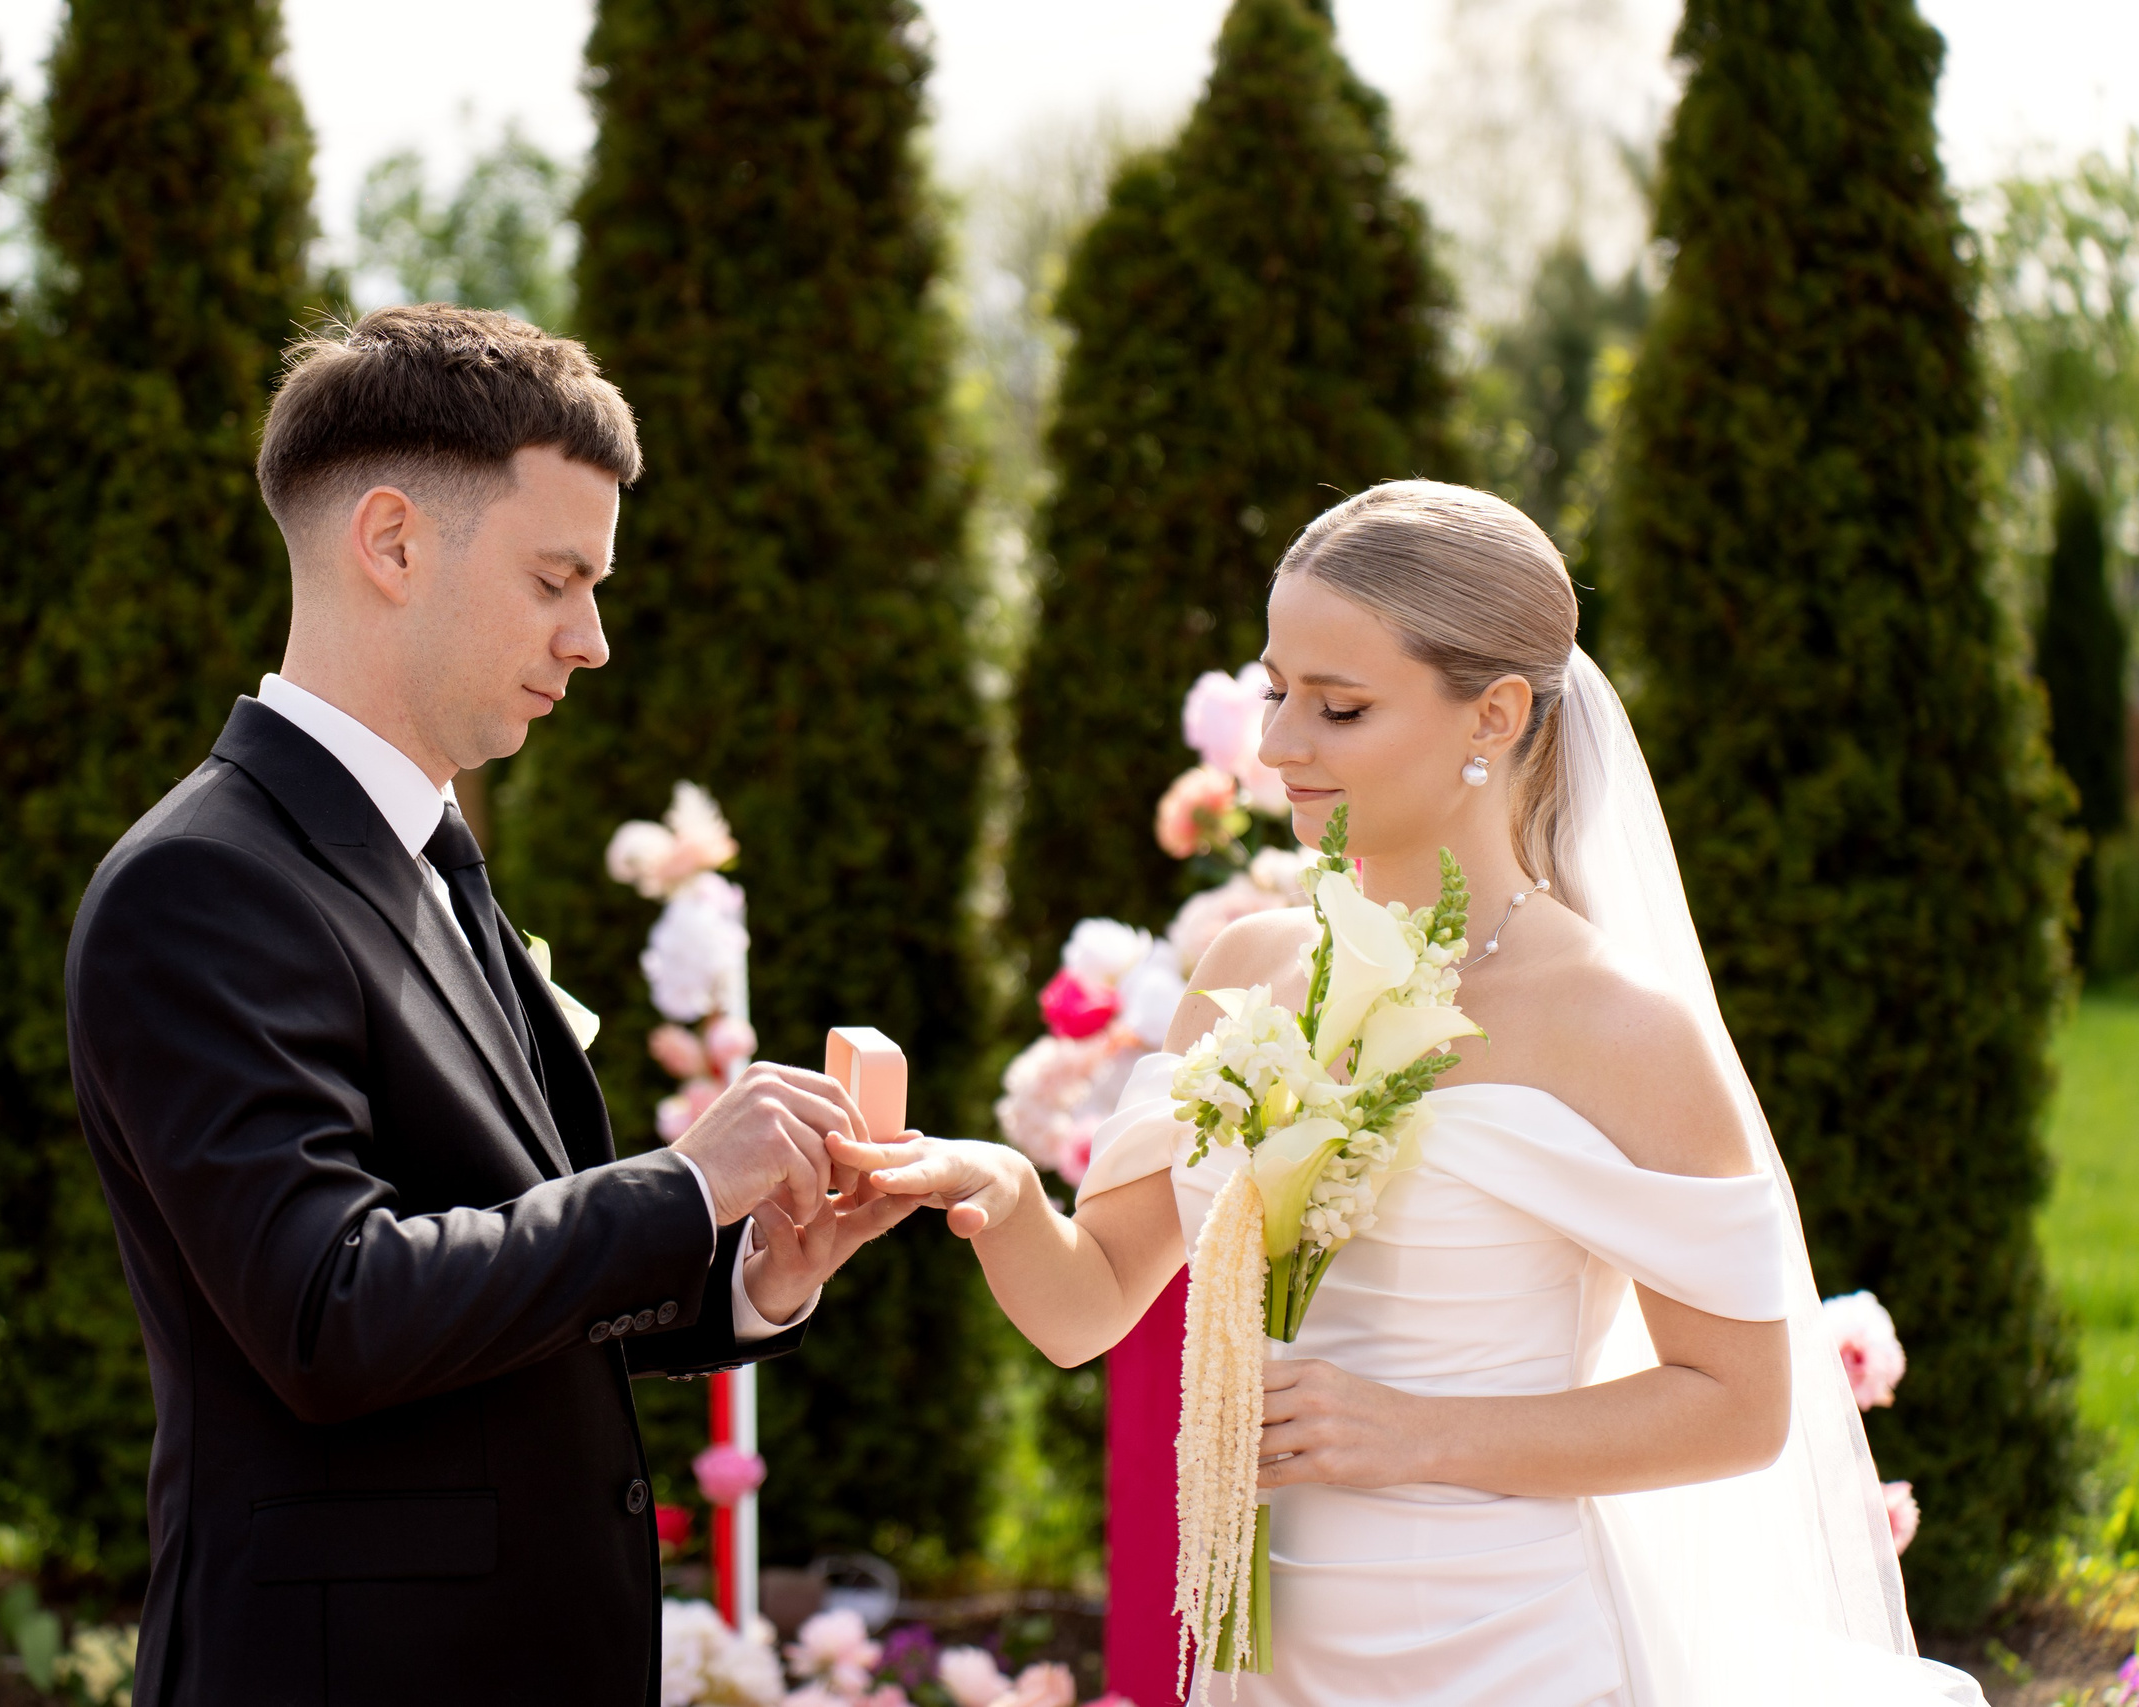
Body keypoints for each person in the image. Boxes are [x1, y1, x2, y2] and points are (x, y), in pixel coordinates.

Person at [842, 482, 1983, 1705]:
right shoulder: (1244, 969)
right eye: (1275, 692)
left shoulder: (1618, 1027)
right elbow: (1086, 1309)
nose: (1278, 746)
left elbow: (1740, 1409)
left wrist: (1419, 1433)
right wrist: (1001, 1192)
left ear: (1493, 714)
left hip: (1509, 1655)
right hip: (1262, 1663)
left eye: (1338, 707)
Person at [64, 304, 914, 1705]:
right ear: (392, 543)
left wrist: (754, 1266)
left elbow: (508, 1253)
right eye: (555, 579)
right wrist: (681, 1185)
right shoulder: (203, 884)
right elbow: (331, 1307)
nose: (592, 640)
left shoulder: (425, 860)